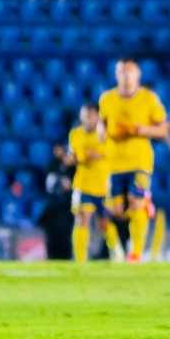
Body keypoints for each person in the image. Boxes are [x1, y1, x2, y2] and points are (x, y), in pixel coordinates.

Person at [99, 58, 169, 263]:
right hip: (113, 163)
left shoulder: (149, 98)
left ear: (138, 74)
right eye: (122, 72)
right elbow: (102, 127)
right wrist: (105, 133)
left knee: (137, 203)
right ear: (116, 75)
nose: (126, 76)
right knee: (114, 209)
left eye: (130, 72)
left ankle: (135, 254)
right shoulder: (107, 99)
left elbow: (163, 130)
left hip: (140, 162)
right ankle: (116, 249)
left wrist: (139, 129)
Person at [68, 104, 122, 263]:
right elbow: (76, 156)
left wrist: (87, 154)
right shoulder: (75, 134)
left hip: (103, 186)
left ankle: (117, 251)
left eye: (90, 116)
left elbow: (109, 153)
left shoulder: (106, 134)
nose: (87, 119)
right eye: (84, 116)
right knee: (82, 218)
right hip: (83, 184)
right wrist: (90, 154)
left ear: (97, 116)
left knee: (104, 223)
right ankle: (80, 260)